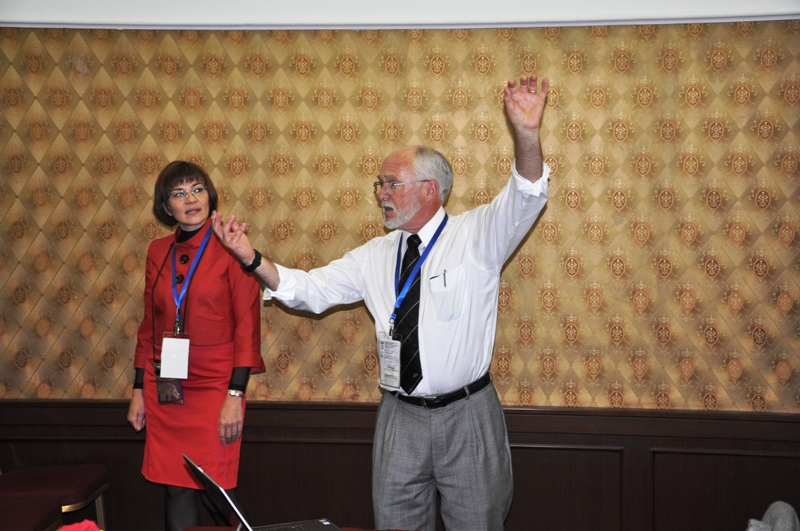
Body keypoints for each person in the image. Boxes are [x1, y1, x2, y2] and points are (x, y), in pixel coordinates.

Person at [212, 75, 550, 531]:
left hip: (467, 415)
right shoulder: (374, 255)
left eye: (392, 184)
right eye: (380, 184)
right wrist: (251, 259)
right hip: (400, 415)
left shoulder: (478, 236)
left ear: (430, 189)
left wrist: (526, 134)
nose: (381, 194)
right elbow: (310, 289)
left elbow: (526, 193)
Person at [127, 161, 265, 531]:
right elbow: (149, 325)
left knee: (218, 493)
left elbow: (247, 325)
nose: (190, 199)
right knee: (176, 488)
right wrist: (138, 390)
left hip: (216, 387)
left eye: (197, 189)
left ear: (209, 195)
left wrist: (235, 394)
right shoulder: (157, 251)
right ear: (166, 206)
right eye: (179, 193)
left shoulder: (233, 246)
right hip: (167, 386)